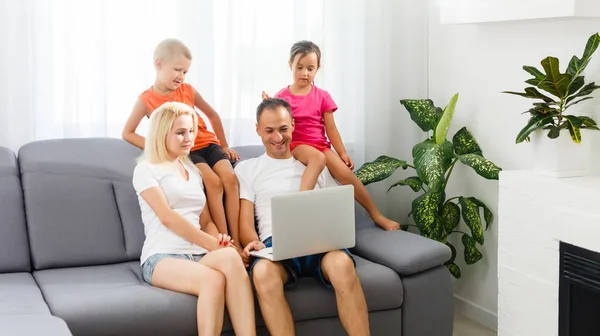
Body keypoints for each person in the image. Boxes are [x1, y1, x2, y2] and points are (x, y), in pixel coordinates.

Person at [236, 98, 370, 336]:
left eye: (283, 129)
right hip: (274, 244)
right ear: (257, 129)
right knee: (262, 273)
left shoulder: (312, 163)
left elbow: (334, 205)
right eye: (269, 130)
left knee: (342, 265)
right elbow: (245, 223)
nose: (278, 137)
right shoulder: (247, 169)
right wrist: (252, 242)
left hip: (319, 241)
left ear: (293, 125)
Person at [132, 101, 255, 336]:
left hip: (197, 255)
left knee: (230, 256)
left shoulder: (194, 172)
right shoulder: (146, 169)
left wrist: (216, 239)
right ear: (161, 134)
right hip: (162, 257)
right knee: (212, 280)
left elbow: (206, 220)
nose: (188, 138)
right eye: (180, 132)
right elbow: (167, 217)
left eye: (190, 131)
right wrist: (208, 243)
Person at [262, 40, 399, 231]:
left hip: (320, 144)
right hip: (298, 145)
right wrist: (269, 103)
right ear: (290, 65)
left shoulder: (322, 96)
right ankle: (300, 203)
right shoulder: (283, 96)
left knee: (347, 175)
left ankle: (376, 214)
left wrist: (341, 153)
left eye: (310, 68)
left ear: (318, 68)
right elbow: (275, 117)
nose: (305, 73)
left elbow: (331, 129)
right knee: (317, 158)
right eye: (299, 67)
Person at [123, 38, 242, 249]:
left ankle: (238, 240)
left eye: (185, 72)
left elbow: (212, 115)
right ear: (159, 64)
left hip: (209, 143)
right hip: (189, 151)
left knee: (230, 179)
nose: (181, 76)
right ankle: (226, 242)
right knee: (213, 183)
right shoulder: (146, 99)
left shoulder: (187, 90)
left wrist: (224, 145)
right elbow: (128, 133)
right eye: (177, 69)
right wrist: (157, 145)